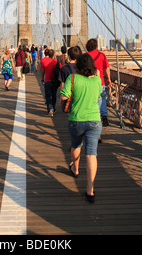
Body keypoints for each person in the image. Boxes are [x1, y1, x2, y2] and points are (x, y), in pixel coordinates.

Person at [60, 53, 102, 203]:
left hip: (76, 119)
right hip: (94, 121)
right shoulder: (97, 80)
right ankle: (90, 189)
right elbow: (98, 96)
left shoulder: (72, 79)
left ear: (77, 65)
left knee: (76, 144)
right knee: (91, 154)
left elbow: (64, 97)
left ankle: (75, 169)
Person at [86, 38, 111, 126]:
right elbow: (106, 68)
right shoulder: (102, 55)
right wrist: (108, 78)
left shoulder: (85, 56)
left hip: (88, 82)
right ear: (96, 46)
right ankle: (104, 116)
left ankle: (92, 117)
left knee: (90, 99)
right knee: (102, 98)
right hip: (100, 82)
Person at [40, 48, 57, 116]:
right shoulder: (56, 62)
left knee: (48, 96)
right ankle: (54, 108)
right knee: (54, 95)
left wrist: (42, 79)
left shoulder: (44, 61)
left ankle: (50, 109)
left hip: (47, 81)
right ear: (53, 55)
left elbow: (42, 72)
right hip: (55, 81)